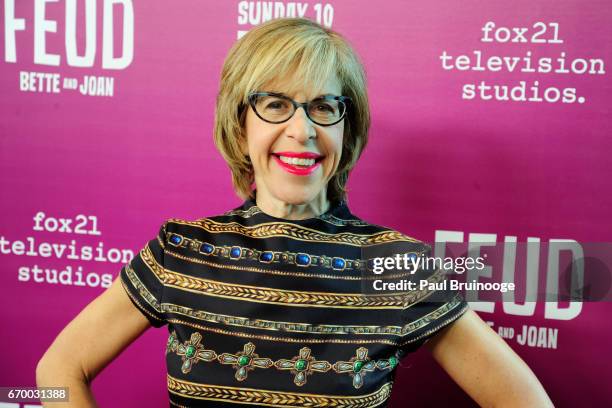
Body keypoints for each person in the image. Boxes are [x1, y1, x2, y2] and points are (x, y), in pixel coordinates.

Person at [36, 18, 553, 407]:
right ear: (240, 126)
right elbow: (58, 369)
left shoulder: (397, 268)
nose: (302, 130)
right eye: (276, 104)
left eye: (324, 107)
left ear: (346, 130)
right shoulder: (184, 250)